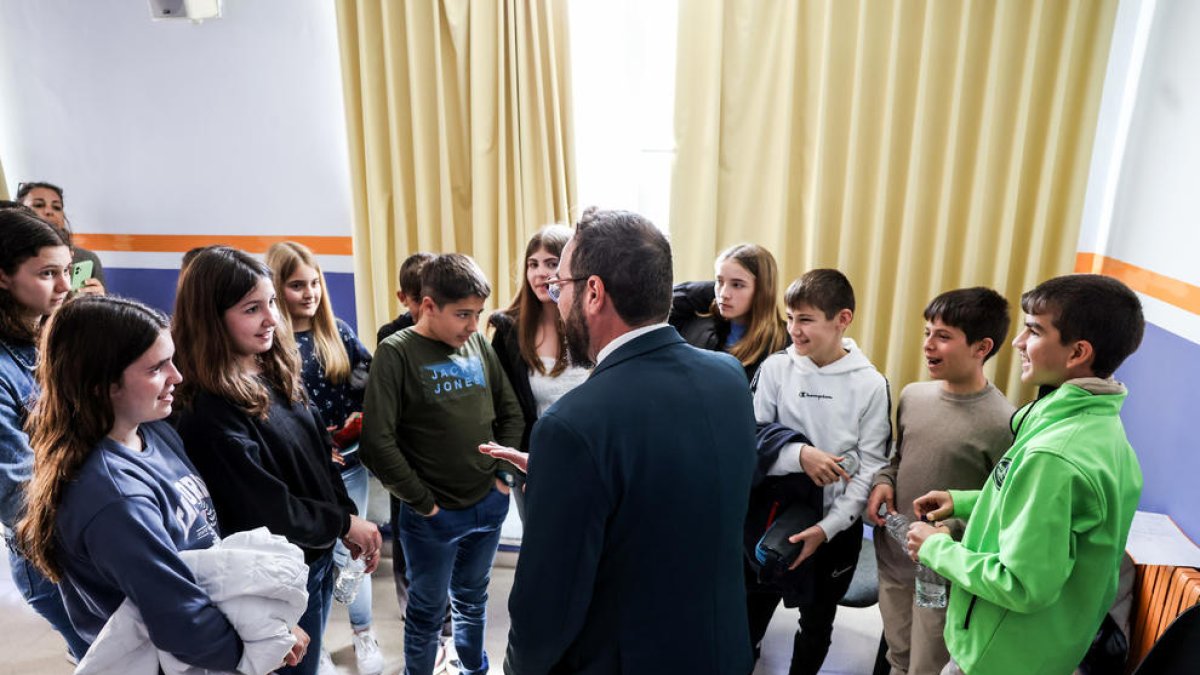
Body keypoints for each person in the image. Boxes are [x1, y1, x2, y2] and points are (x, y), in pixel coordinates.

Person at [502, 208, 757, 674]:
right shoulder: (727, 376)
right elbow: (671, 496)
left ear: (593, 292)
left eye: (560, 285)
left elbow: (545, 610)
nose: (556, 300)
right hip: (720, 650)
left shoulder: (572, 426)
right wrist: (570, 479)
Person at [16, 295, 309, 671]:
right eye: (156, 368)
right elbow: (178, 618)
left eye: (172, 360)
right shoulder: (114, 498)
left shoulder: (155, 432)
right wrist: (256, 650)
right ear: (101, 385)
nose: (177, 376)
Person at [907, 274, 1146, 675]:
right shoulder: (1098, 425)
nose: (1017, 343)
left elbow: (1020, 584)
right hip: (1044, 647)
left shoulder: (1056, 454)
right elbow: (1042, 514)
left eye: (1034, 330)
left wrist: (935, 549)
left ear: (1077, 353)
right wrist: (967, 501)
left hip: (999, 657)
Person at [172, 246, 381, 675]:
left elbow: (321, 456)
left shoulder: (270, 367)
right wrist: (341, 524)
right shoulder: (207, 412)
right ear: (211, 318)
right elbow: (268, 508)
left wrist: (344, 517)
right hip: (274, 576)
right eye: (252, 308)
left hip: (314, 558)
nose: (272, 317)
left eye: (270, 302)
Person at [360, 253, 523, 675]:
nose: (473, 325)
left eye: (478, 313)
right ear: (428, 306)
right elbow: (377, 442)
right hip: (431, 518)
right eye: (462, 314)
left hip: (487, 506)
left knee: (473, 602)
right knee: (426, 613)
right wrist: (423, 503)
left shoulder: (477, 345)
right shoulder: (396, 354)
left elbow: (511, 413)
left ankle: (474, 669)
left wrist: (503, 479)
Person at [748, 268, 892, 674]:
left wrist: (827, 528)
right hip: (771, 520)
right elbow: (751, 441)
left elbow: (869, 468)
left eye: (806, 319)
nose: (794, 329)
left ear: (842, 319)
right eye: (790, 317)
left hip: (832, 532)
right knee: (751, 614)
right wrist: (800, 455)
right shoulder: (776, 369)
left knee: (816, 624)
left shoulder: (870, 385)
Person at [865, 287, 1015, 675]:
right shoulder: (913, 396)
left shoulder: (1003, 422)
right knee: (896, 657)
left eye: (944, 336)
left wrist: (953, 527)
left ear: (982, 347)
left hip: (944, 577)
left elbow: (1003, 505)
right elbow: (899, 459)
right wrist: (885, 479)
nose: (928, 344)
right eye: (928, 331)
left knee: (926, 667)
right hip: (894, 561)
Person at [266, 241, 383, 675]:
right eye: (297, 285)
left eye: (315, 282)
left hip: (347, 469)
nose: (310, 293)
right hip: (299, 478)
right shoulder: (269, 345)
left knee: (356, 556)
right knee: (309, 568)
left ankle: (364, 633)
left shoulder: (339, 333)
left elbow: (368, 387)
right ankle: (314, 644)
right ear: (277, 288)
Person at [0, 210, 89, 660]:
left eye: (67, 271)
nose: (65, 286)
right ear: (3, 277)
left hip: (94, 531)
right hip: (55, 551)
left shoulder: (49, 336)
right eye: (47, 274)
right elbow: (17, 492)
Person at [488, 225, 589, 521]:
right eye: (533, 264)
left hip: (588, 457)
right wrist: (504, 473)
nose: (540, 274)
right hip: (533, 460)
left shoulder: (590, 325)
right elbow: (502, 408)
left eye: (552, 263)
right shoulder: (508, 331)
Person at [669, 243, 788, 381]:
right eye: (719, 281)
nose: (724, 294)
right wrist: (714, 292)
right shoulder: (699, 323)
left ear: (762, 290)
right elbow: (664, 301)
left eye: (737, 285)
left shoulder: (784, 344)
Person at [15, 181, 105, 295]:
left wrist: (100, 304)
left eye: (56, 207)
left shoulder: (85, 258)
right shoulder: (6, 255)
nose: (49, 211)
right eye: (39, 205)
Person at [377, 251, 435, 344]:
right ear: (402, 298)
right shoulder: (389, 335)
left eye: (435, 299)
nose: (426, 309)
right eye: (418, 300)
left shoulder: (454, 330)